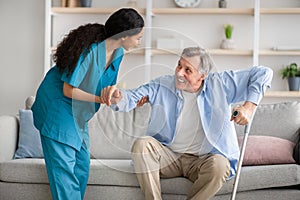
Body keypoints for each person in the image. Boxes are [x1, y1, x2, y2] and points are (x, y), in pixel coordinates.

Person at [99, 47, 273, 200]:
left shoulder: (221, 84)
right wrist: (118, 98)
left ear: (203, 75)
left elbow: (264, 73)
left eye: (188, 70)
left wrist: (249, 107)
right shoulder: (162, 85)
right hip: (169, 157)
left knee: (220, 165)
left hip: (203, 160)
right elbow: (132, 97)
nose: (179, 73)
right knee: (142, 145)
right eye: (179, 65)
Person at [31, 8, 144, 200]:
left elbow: (109, 86)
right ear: (125, 35)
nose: (140, 41)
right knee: (65, 174)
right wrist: (100, 99)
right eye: (138, 37)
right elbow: (68, 90)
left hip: (79, 115)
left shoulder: (118, 53)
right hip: (58, 109)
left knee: (82, 167)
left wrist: (117, 96)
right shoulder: (90, 50)